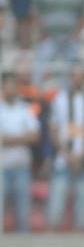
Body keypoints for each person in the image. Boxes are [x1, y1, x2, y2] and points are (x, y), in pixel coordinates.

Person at [46, 66, 84, 231]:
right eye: (74, 76)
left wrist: (81, 154)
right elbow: (54, 130)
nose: (77, 80)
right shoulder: (59, 99)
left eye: (80, 76)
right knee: (55, 209)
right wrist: (67, 154)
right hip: (63, 160)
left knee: (83, 213)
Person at [0, 75, 38, 232]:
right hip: (2, 167)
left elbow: (35, 136)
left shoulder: (25, 109)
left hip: (22, 166)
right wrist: (22, 138)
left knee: (23, 212)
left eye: (13, 86)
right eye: (7, 86)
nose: (11, 89)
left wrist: (8, 139)